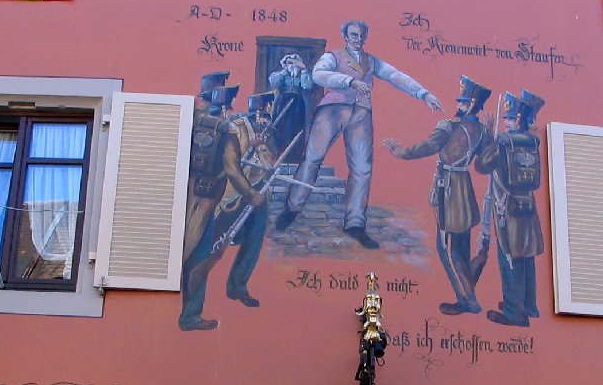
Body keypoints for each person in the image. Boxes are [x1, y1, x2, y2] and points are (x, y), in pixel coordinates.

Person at [275, 20, 444, 249]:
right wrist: (350, 81)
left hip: (361, 114)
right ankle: (292, 208)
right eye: (354, 35)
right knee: (312, 158)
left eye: (362, 35)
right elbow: (318, 75)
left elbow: (396, 76)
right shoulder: (333, 57)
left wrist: (424, 94)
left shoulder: (371, 61)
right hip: (332, 111)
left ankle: (355, 223)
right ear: (345, 36)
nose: (358, 39)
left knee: (362, 169)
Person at [384, 77, 492, 315]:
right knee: (461, 247)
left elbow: (428, 147)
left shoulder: (448, 126)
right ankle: (470, 292)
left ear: (472, 104)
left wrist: (400, 152)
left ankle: (468, 300)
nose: (459, 105)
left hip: (448, 189)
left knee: (447, 249)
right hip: (465, 188)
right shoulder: (483, 131)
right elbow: (485, 163)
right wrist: (492, 135)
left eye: (464, 102)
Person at [179, 77, 274, 332]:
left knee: (191, 253)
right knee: (201, 256)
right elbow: (232, 168)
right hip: (209, 200)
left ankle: (227, 291)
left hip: (185, 197)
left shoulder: (187, 121)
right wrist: (250, 193)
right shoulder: (226, 129)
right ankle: (190, 316)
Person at [474, 90, 544, 327]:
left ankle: (514, 313)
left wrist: (489, 137)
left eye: (510, 118)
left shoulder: (503, 142)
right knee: (526, 256)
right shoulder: (532, 141)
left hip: (507, 208)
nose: (506, 122)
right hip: (528, 207)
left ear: (518, 120)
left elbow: (482, 165)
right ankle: (528, 305)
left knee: (510, 257)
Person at [268, 53, 312, 162]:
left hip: (297, 105)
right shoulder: (279, 75)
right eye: (289, 62)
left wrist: (303, 69)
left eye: (295, 63)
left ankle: (294, 157)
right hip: (283, 102)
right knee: (281, 128)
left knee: (296, 128)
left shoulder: (303, 75)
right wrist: (285, 70)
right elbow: (274, 83)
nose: (292, 65)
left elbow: (307, 86)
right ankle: (279, 155)